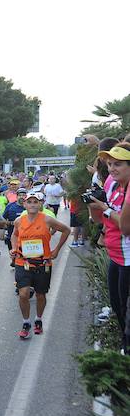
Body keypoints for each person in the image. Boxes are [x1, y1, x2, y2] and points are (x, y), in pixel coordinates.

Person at [11, 192, 70, 339]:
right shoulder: (19, 220)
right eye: (29, 202)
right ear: (25, 204)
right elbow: (14, 235)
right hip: (22, 262)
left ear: (40, 204)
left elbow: (66, 230)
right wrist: (13, 248)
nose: (32, 204)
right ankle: (26, 322)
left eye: (35, 202)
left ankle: (38, 319)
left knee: (40, 294)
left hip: (42, 263)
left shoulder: (47, 219)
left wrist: (56, 250)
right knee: (23, 293)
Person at [92, 144, 130, 344]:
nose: (112, 168)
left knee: (124, 306)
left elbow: (125, 228)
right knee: (116, 304)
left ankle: (126, 346)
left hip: (127, 255)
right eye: (109, 164)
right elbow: (99, 220)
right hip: (114, 252)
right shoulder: (111, 183)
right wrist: (94, 206)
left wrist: (105, 209)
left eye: (119, 164)